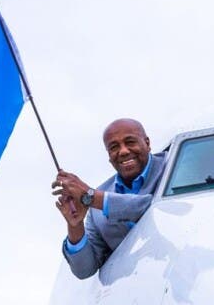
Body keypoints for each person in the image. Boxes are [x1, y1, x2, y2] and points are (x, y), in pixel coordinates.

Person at [52, 118, 168, 279]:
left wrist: (90, 196)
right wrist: (75, 226)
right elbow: (84, 270)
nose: (123, 151)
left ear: (147, 143)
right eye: (114, 147)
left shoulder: (173, 166)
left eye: (130, 142)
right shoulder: (96, 205)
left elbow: (155, 207)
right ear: (108, 156)